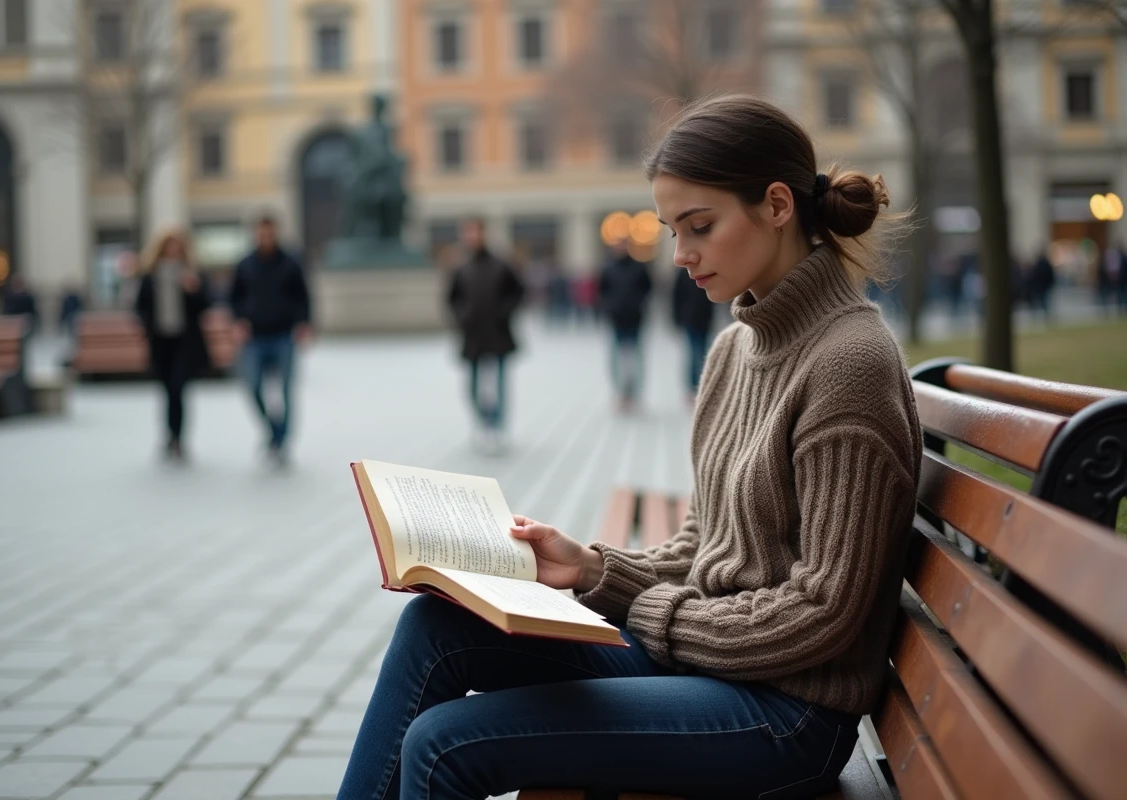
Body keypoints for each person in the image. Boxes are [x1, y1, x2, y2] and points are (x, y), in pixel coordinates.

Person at [338, 94, 922, 799]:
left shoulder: (849, 363)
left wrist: (646, 612)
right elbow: (709, 544)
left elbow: (821, 612)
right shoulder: (737, 347)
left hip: (785, 714)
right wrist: (590, 568)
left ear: (776, 205)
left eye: (699, 226)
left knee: (443, 743)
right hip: (714, 666)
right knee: (435, 624)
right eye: (671, 229)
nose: (681, 255)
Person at [230, 216, 312, 465]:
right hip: (254, 337)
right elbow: (234, 297)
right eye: (261, 233)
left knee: (286, 390)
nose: (265, 238)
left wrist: (304, 324)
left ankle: (281, 440)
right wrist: (239, 320)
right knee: (253, 387)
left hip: (284, 336)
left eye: (269, 233)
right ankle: (272, 430)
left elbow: (303, 296)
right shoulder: (245, 264)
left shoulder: (290, 263)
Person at [447, 218, 525, 456]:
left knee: (499, 384)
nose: (472, 237)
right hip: (472, 335)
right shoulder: (461, 267)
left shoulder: (501, 264)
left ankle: (497, 426)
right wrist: (462, 317)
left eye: (475, 232)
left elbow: (518, 292)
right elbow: (452, 298)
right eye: (468, 233)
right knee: (472, 387)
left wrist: (504, 313)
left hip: (498, 333)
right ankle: (483, 422)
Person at [133, 230, 211, 462]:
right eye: (169, 246)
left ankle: (178, 438)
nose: (173, 251)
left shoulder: (192, 273)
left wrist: (193, 290)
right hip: (160, 340)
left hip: (184, 341)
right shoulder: (151, 275)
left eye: (177, 246)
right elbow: (140, 306)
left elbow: (206, 305)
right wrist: (145, 326)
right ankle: (169, 435)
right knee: (167, 391)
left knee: (179, 387)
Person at [600, 238, 653, 412]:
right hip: (616, 319)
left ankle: (634, 393)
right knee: (615, 358)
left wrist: (637, 303)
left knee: (636, 358)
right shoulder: (608, 268)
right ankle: (620, 392)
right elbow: (602, 291)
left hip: (635, 318)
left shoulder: (639, 267)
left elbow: (648, 289)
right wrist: (609, 307)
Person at [670, 266, 715, 405]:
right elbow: (676, 296)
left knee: (703, 353)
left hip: (704, 319)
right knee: (694, 353)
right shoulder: (683, 272)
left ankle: (701, 386)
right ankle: (693, 388)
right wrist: (677, 318)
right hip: (689, 319)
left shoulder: (708, 270)